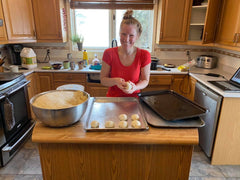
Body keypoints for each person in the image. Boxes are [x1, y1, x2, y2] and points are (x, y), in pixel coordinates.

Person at [100, 10, 151, 97]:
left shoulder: (144, 55)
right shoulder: (109, 53)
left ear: (137, 36)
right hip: (113, 100)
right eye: (123, 34)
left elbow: (145, 80)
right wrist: (116, 81)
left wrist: (135, 87)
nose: (126, 39)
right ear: (119, 34)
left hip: (134, 100)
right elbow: (103, 80)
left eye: (131, 35)